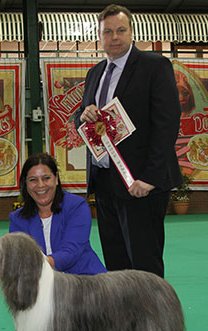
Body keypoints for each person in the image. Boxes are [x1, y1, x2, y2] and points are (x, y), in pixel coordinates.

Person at [74, 4, 182, 279]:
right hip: (106, 179)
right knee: (116, 265)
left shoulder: (155, 66)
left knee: (145, 267)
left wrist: (150, 177)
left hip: (140, 183)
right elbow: (86, 121)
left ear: (131, 32)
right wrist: (82, 115)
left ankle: (154, 322)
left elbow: (166, 123)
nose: (114, 37)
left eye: (121, 30)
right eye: (107, 32)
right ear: (99, 36)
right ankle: (122, 322)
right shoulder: (95, 73)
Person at [9, 152, 107, 331]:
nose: (40, 185)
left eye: (46, 178)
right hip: (43, 293)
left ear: (56, 179)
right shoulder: (17, 219)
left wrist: (39, 263)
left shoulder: (77, 207)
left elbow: (72, 250)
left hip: (82, 286)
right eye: (33, 180)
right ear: (25, 185)